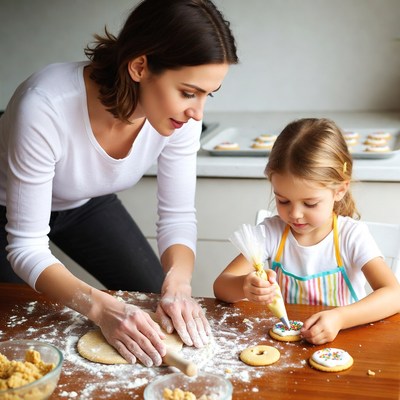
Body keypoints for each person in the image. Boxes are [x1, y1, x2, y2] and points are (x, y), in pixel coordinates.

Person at [0, 0, 238, 367]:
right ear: (140, 66)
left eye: (208, 94)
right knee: (19, 333)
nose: (198, 113)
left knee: (150, 297)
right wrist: (100, 307)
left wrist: (178, 283)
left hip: (84, 203)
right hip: (5, 211)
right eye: (189, 92)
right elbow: (27, 247)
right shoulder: (44, 105)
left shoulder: (181, 120)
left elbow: (176, 215)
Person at [213, 118, 400, 345]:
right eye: (283, 200)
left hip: (345, 343)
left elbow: (394, 295)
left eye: (310, 204)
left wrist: (341, 318)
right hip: (286, 348)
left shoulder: (351, 236)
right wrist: (245, 285)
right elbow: (221, 286)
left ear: (340, 190)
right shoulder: (271, 233)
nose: (295, 214)